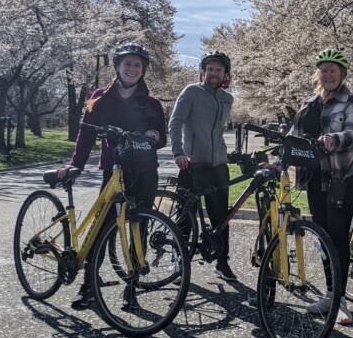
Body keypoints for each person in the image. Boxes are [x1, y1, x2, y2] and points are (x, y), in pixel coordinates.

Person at [57, 42, 167, 309]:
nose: (132, 69)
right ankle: (88, 288)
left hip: (144, 171)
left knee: (139, 228)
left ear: (143, 70)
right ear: (117, 66)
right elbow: (86, 135)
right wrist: (76, 165)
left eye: (137, 65)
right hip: (114, 171)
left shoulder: (151, 103)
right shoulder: (100, 97)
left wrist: (155, 135)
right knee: (101, 226)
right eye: (127, 64)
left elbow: (163, 137)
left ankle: (132, 289)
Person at [290, 48, 353, 326]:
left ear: (342, 74)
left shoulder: (352, 102)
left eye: (333, 70)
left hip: (342, 178)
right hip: (314, 177)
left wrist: (334, 138)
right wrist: (277, 157)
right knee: (322, 235)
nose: (328, 74)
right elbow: (294, 134)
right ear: (318, 73)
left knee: (338, 236)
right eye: (324, 69)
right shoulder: (309, 102)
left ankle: (341, 300)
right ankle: (331, 293)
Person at [168, 51, 237, 281]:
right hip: (192, 163)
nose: (214, 73)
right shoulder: (191, 92)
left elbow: (217, 131)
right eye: (210, 69)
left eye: (218, 70)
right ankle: (179, 259)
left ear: (225, 74)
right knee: (184, 215)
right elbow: (176, 122)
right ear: (203, 71)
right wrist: (178, 152)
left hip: (218, 166)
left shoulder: (228, 99)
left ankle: (222, 262)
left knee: (222, 218)